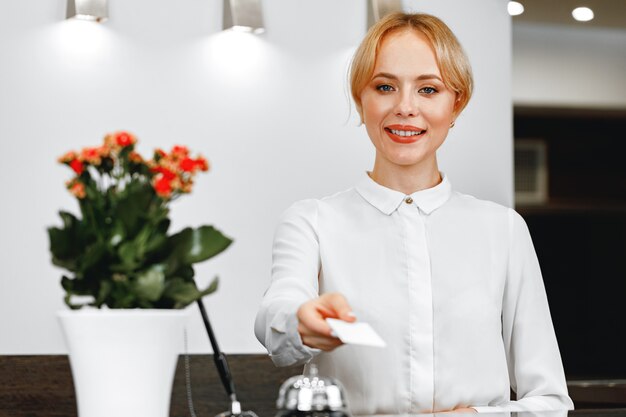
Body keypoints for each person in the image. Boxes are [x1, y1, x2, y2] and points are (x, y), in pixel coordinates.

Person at [254, 12, 574, 415]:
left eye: (428, 89)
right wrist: (302, 320)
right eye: (384, 86)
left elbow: (550, 402)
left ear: (456, 104)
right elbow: (275, 316)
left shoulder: (503, 229)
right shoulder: (312, 221)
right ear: (361, 99)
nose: (405, 107)